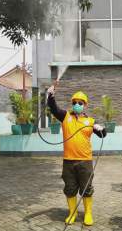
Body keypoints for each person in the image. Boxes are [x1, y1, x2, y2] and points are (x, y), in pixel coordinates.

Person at [46, 85, 106, 226]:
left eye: (80, 103)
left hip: (85, 161)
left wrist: (101, 128)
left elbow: (103, 134)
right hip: (68, 161)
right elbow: (54, 109)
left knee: (86, 188)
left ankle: (88, 214)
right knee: (70, 188)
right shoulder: (66, 116)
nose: (77, 105)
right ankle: (72, 213)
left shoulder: (91, 121)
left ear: (85, 105)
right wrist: (50, 96)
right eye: (74, 103)